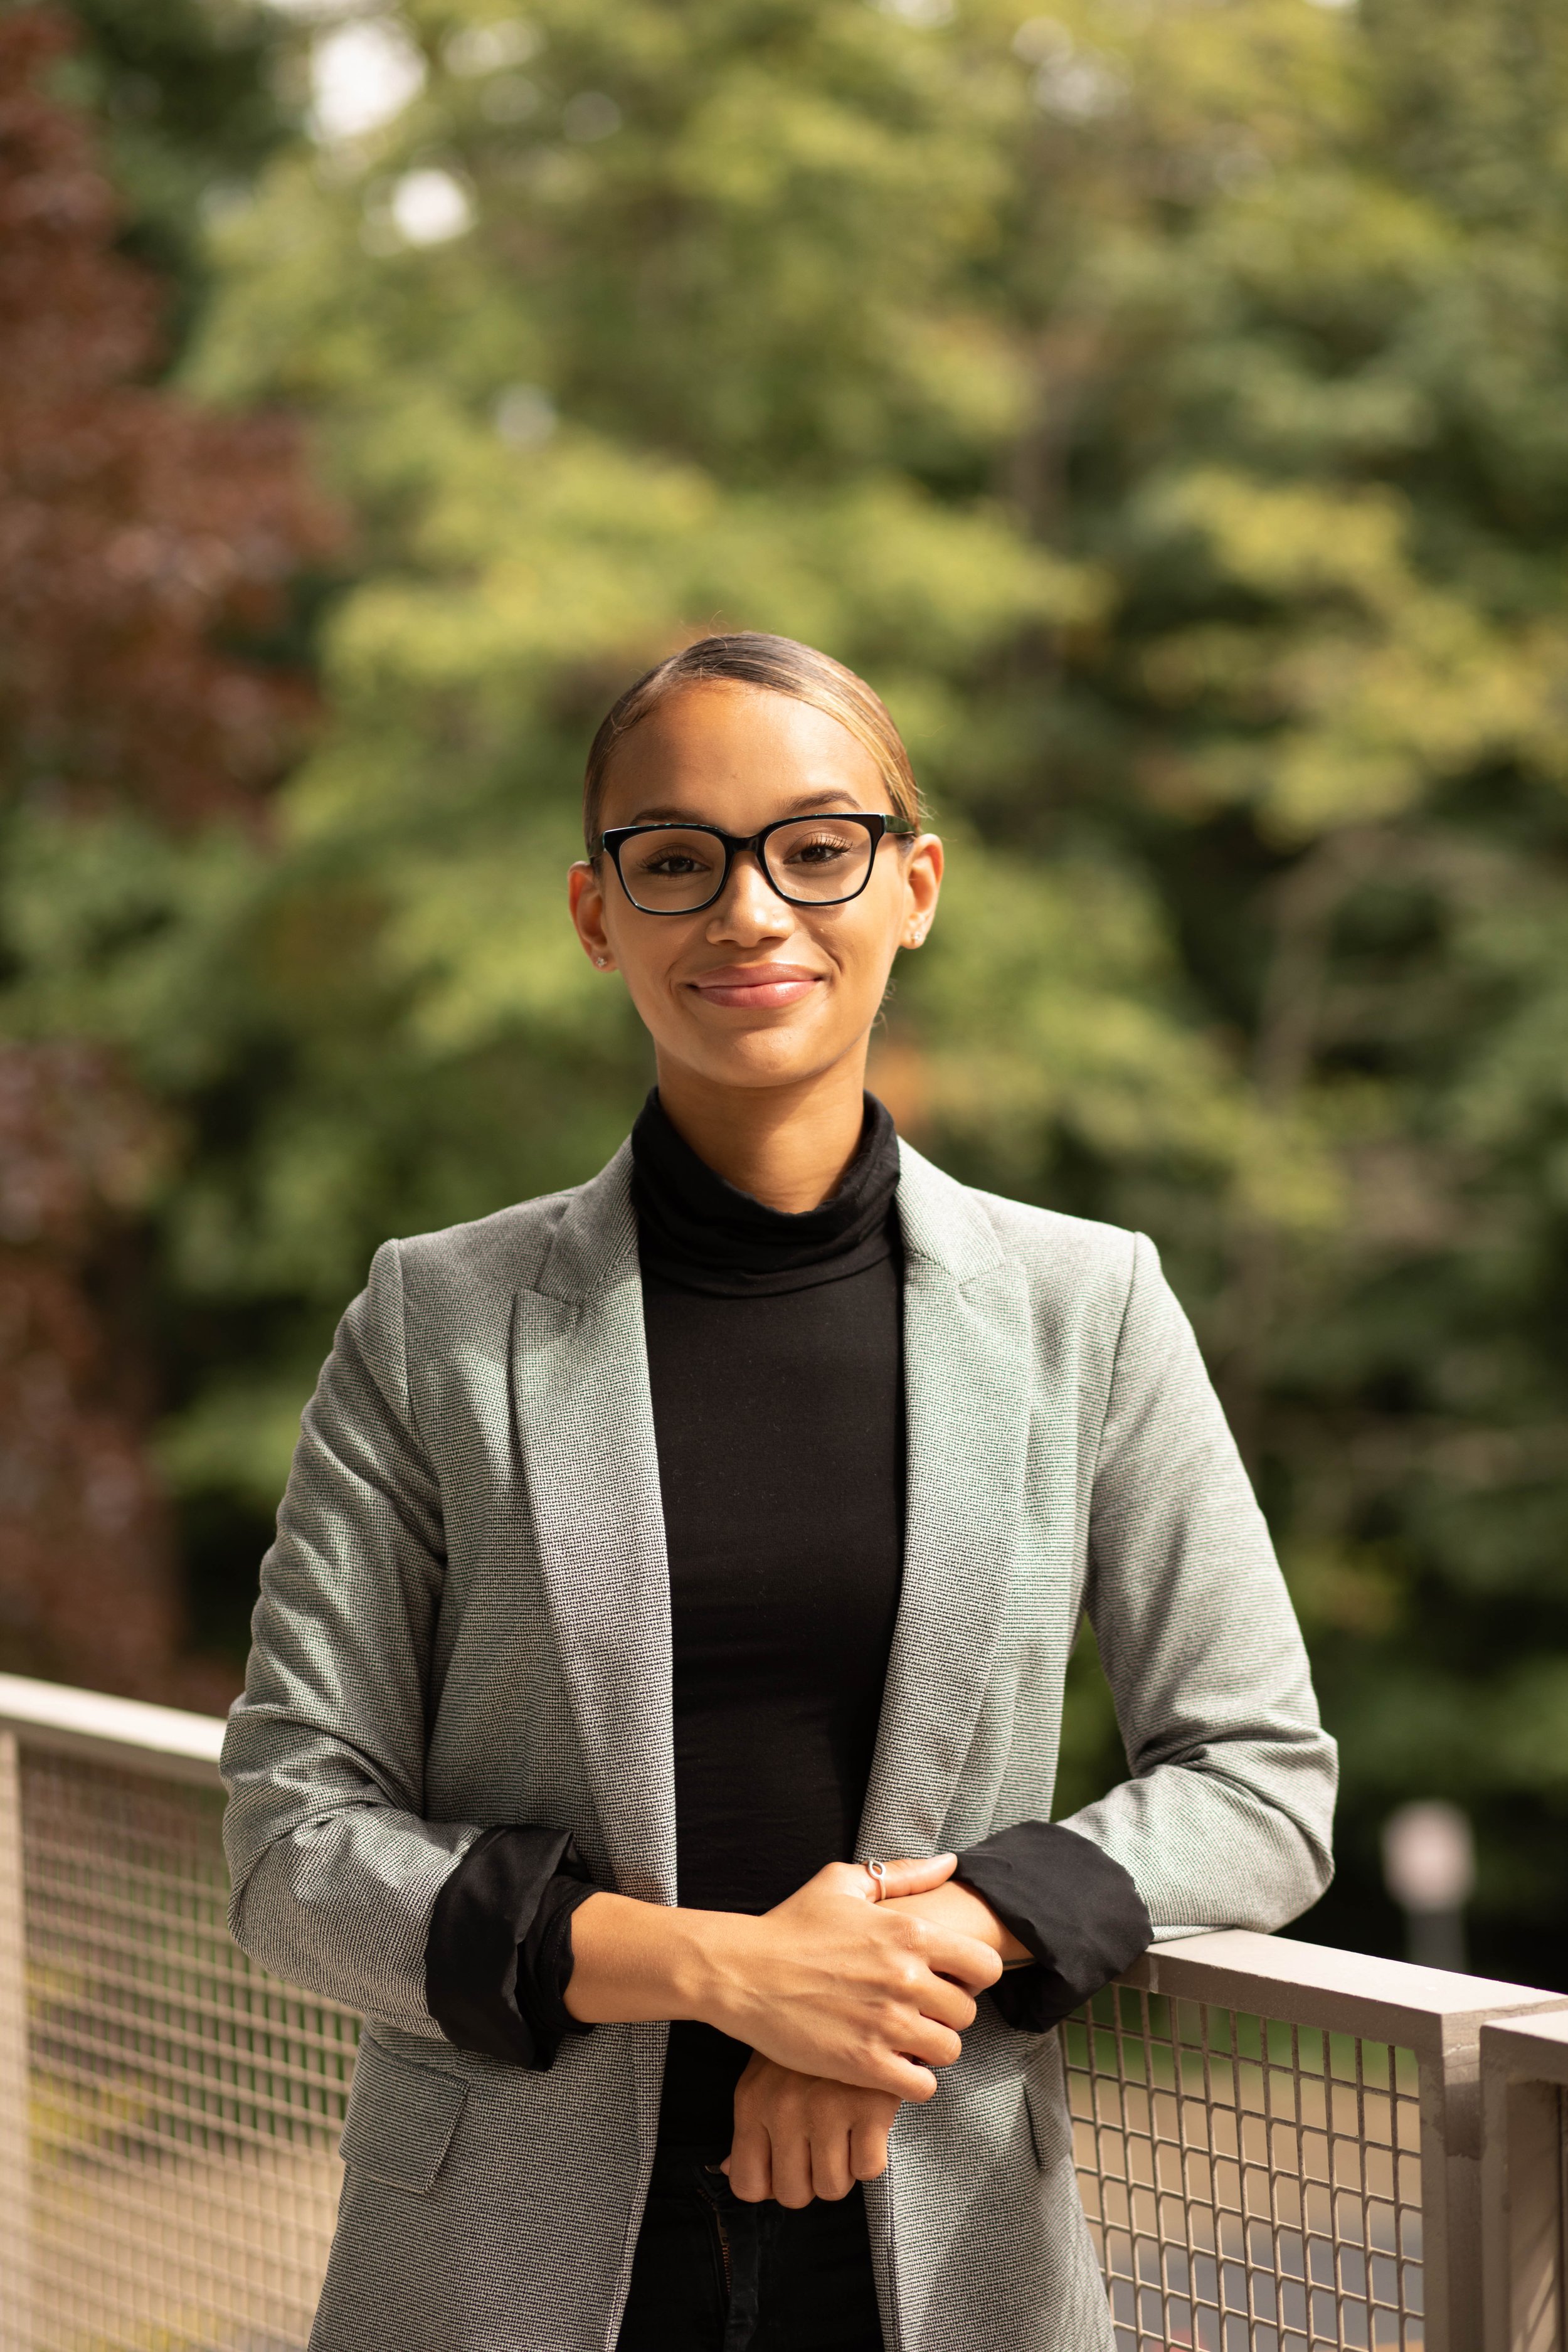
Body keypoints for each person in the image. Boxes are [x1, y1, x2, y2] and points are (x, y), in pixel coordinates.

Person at [220, 632, 1336, 2352]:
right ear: (597, 914)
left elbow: (1262, 1782)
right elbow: (293, 1843)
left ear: (914, 884)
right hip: (496, 2258)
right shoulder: (432, 1320)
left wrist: (927, 1950)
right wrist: (733, 1976)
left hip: (938, 2245)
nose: (749, 911)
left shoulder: (1083, 1308)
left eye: (815, 849)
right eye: (676, 861)